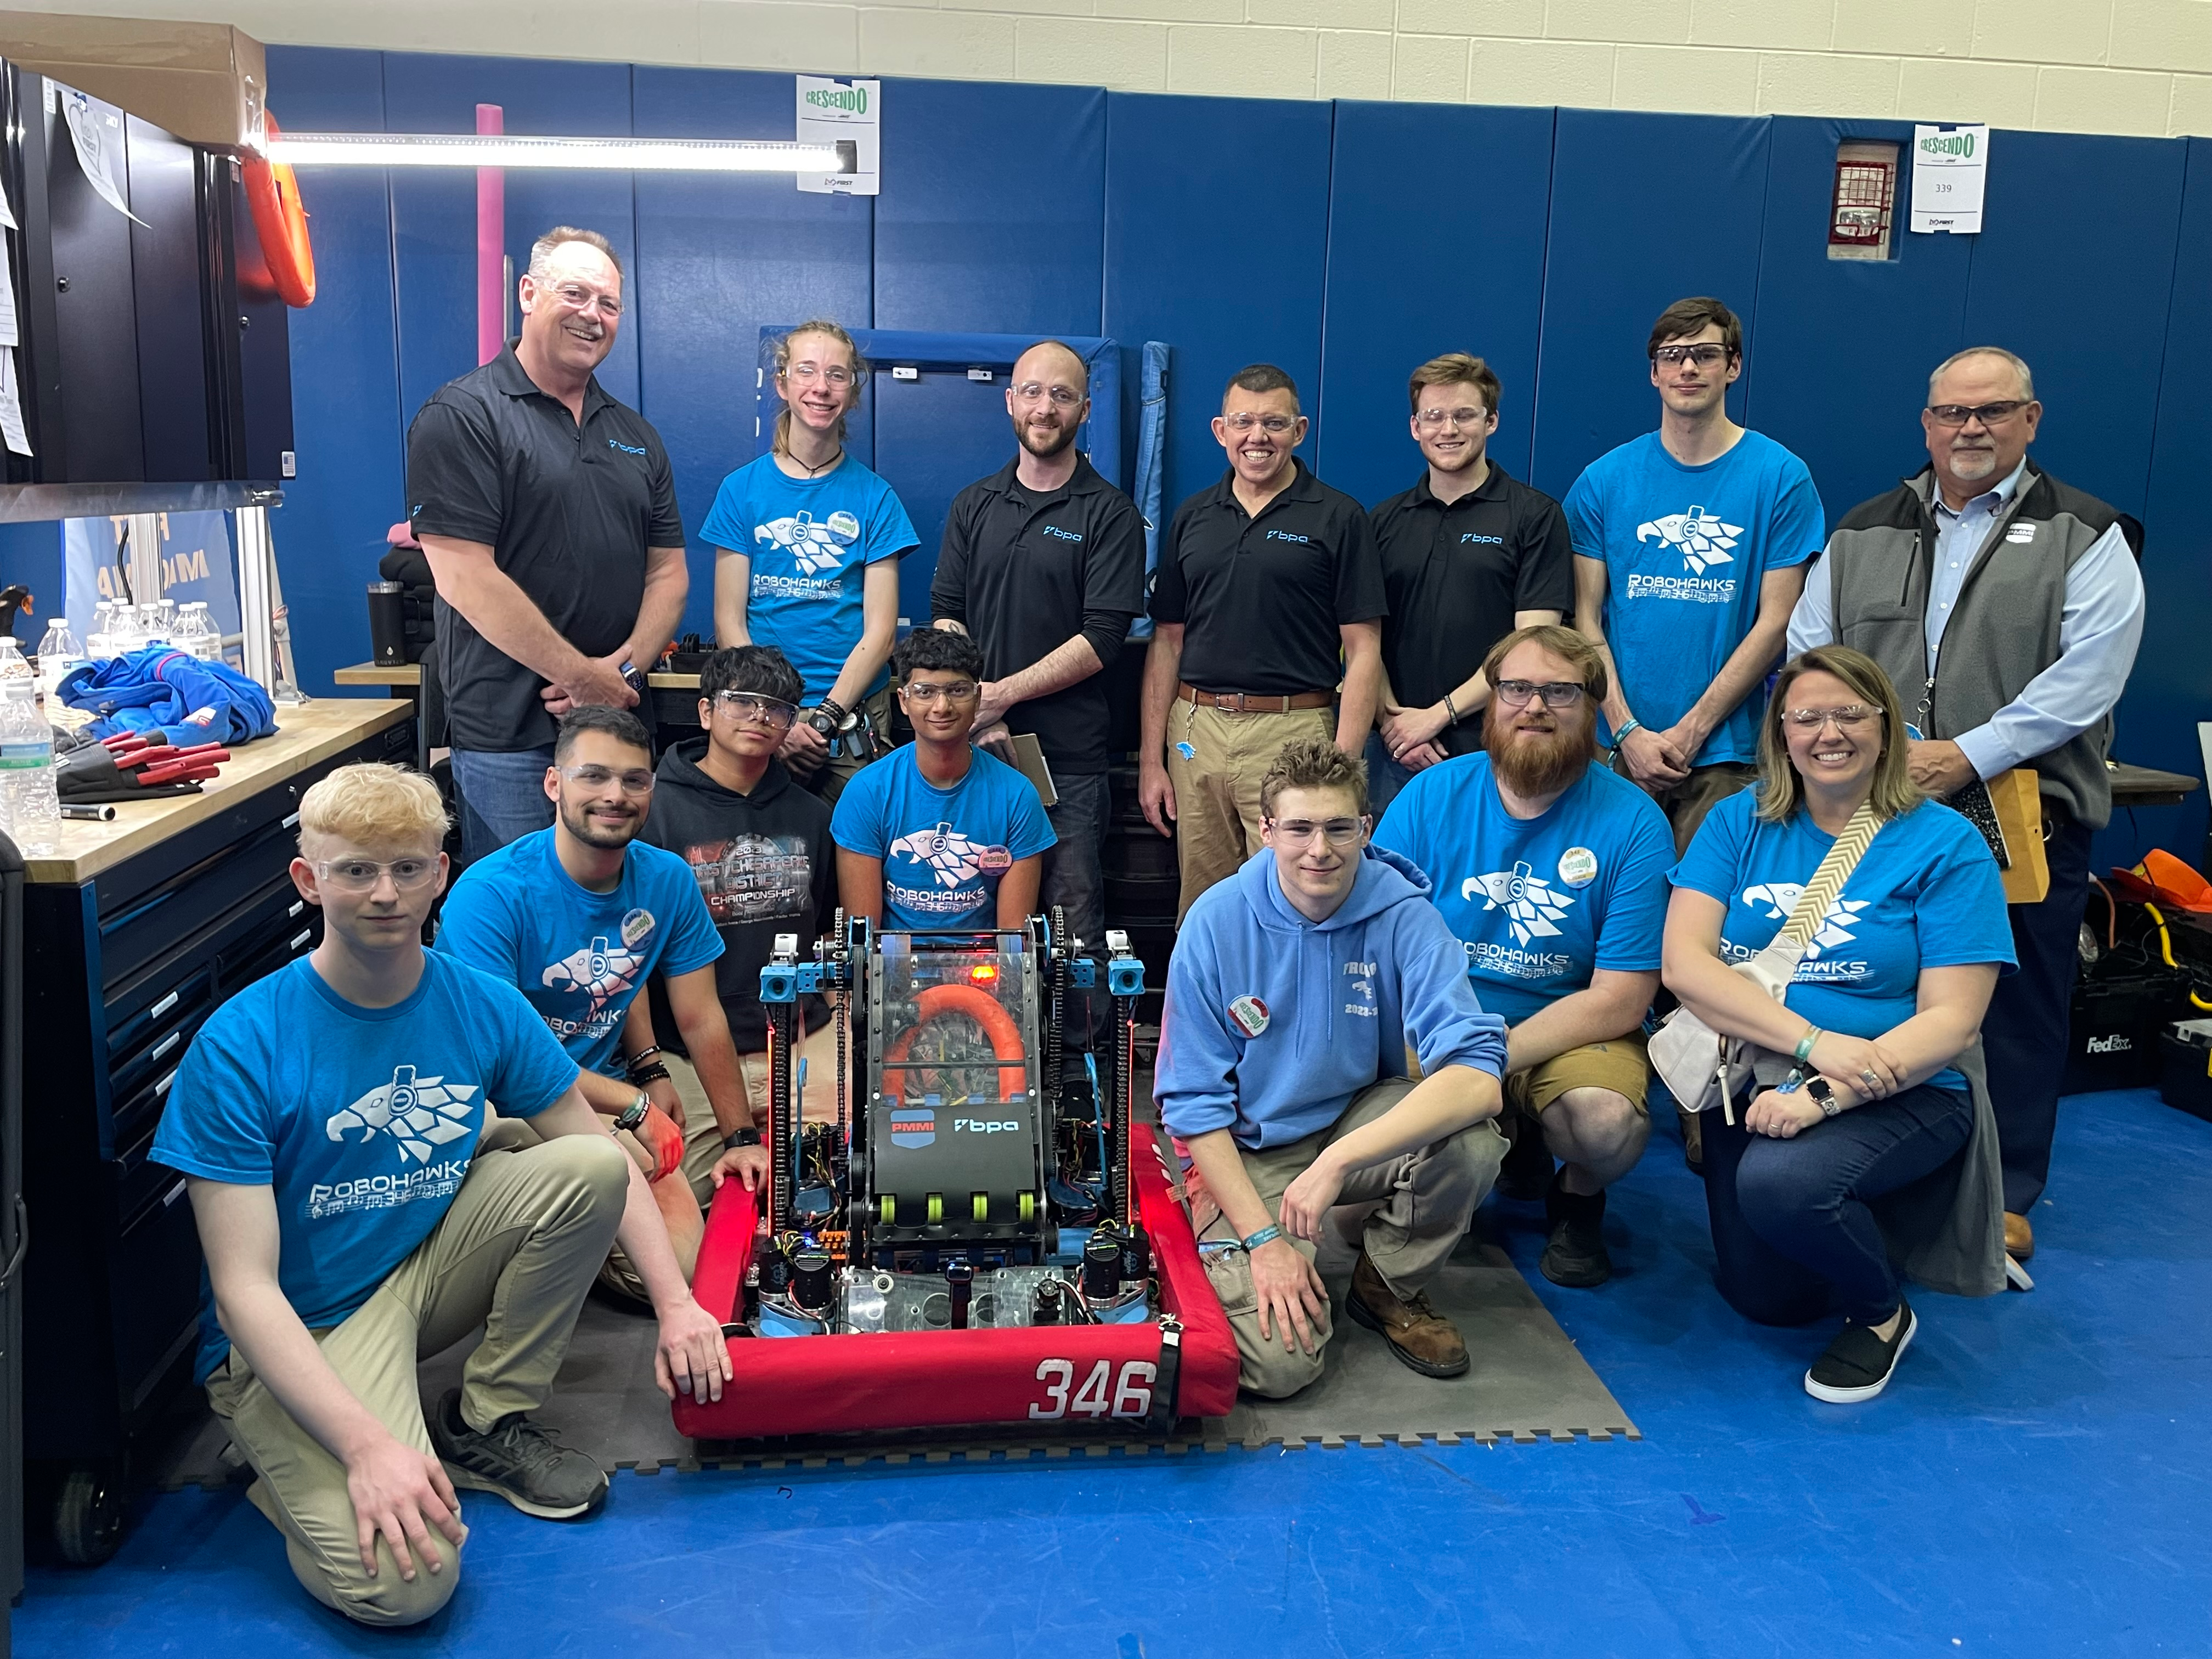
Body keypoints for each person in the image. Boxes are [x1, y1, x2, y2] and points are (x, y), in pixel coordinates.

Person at [150, 764, 733, 1627]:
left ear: (440, 875)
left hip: (419, 1273)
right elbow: (243, 1292)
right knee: (405, 1588)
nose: (385, 894)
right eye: (356, 871)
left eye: (407, 868)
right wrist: (364, 1447)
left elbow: (598, 1153)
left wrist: (680, 1306)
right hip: (306, 1323)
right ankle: (284, 1448)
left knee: (593, 1164)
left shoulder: (481, 1004)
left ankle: (484, 1422)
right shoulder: (242, 1042)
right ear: (309, 880)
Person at [1786, 347, 2145, 1267]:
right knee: (1880, 983)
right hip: (1877, 809)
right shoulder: (1863, 529)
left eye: (1992, 410)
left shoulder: (2086, 532)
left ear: (2030, 419)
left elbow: (2091, 675)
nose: (1970, 428)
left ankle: (2007, 1190)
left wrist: (1970, 753)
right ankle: (1879, 1170)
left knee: (2015, 1004)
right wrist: (1866, 751)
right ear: (1927, 423)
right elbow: (1810, 653)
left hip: (2024, 809)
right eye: (1952, 412)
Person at [1662, 646, 2015, 1403]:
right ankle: (1861, 1218)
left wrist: (1825, 1094)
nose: (1830, 733)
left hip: (1906, 1084)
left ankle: (1882, 1313)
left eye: (1851, 713)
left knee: (1781, 1186)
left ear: (1886, 728)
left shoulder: (1947, 844)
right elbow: (1685, 967)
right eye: (1807, 717)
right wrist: (1812, 1045)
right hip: (1756, 1075)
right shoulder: (1738, 822)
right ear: (1781, 734)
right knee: (1769, 1301)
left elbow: (1953, 1022)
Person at [1155, 737, 1508, 1396]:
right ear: (1266, 831)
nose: (1320, 849)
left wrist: (1336, 1164)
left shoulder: (1404, 914)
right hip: (1251, 1147)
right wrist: (1265, 1242)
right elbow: (1193, 1108)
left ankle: (1386, 1282)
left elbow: (1479, 1077)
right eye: (1299, 828)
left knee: (1471, 1142)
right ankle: (1265, 1241)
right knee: (1280, 1368)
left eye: (1339, 828)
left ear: (1365, 829)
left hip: (1353, 1124)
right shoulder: (1214, 923)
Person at [434, 707, 771, 1295]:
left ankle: (576, 1219)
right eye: (593, 776)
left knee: (698, 1246)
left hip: (603, 1091)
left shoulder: (666, 879)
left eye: (634, 780)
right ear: (553, 783)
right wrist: (635, 1105)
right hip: (505, 1101)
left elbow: (699, 1016)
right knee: (658, 1255)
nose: (615, 795)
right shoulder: (491, 894)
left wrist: (739, 1137)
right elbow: (508, 1061)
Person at [1374, 626, 1673, 1288]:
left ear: (1592, 706)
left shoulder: (1636, 823)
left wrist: (1485, 1059)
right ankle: (1502, 1130)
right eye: (1516, 688)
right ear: (1492, 699)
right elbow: (1377, 945)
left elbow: (1622, 998)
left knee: (1604, 1125)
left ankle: (1577, 1196)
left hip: (1570, 1026)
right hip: (1440, 1020)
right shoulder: (1428, 796)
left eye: (1560, 691)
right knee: (1362, 1093)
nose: (1535, 706)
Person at [408, 226, 687, 860]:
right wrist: (580, 677)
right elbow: (464, 576)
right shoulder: (464, 416)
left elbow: (669, 574)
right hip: (509, 737)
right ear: (528, 293)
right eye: (575, 294)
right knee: (521, 904)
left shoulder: (636, 435)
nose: (593, 315)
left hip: (617, 723)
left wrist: (618, 677)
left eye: (609, 304)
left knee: (617, 904)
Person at [932, 339, 1147, 1054]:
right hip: (971, 755)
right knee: (971, 911)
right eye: (1032, 392)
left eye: (1061, 394)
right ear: (1010, 402)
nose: (1044, 407)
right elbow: (947, 611)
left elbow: (1103, 638)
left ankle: (1079, 1079)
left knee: (1072, 923)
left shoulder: (1109, 514)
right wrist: (972, 708)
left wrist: (999, 698)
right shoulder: (975, 504)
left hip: (1067, 764)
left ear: (1085, 409)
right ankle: (980, 1062)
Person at [1566, 296, 1826, 855]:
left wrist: (1693, 730)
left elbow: (1777, 622)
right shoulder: (1603, 481)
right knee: (1607, 903)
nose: (1688, 368)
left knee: (1706, 906)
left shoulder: (1781, 477)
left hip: (1726, 756)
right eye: (1673, 356)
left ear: (1733, 366)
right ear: (1654, 372)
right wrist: (1627, 730)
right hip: (1614, 750)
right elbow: (1584, 621)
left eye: (1705, 355)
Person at [1140, 364, 1387, 921]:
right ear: (1220, 430)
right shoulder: (1193, 516)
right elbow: (1167, 641)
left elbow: (1363, 649)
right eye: (1243, 422)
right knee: (1203, 904)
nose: (1258, 437)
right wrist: (1152, 761)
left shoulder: (1339, 516)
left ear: (1299, 431)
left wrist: (1342, 768)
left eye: (1274, 423)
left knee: (1295, 901)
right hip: (1196, 730)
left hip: (1294, 730)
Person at [637, 644, 843, 1170]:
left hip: (803, 1037)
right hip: (686, 1052)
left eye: (777, 709)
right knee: (686, 1195)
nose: (760, 716)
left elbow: (826, 929)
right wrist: (649, 1066)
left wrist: (839, 1022)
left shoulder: (814, 816)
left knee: (830, 1185)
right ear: (706, 711)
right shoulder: (652, 813)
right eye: (743, 702)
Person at [705, 319, 919, 804]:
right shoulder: (741, 491)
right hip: (758, 712)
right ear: (782, 383)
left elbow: (881, 635)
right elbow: (728, 622)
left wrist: (824, 718)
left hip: (850, 719)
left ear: (852, 391)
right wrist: (774, 714)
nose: (821, 387)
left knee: (855, 846)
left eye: (837, 375)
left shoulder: (876, 498)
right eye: (807, 371)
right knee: (756, 849)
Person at [1368, 354, 1575, 813]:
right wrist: (1394, 723)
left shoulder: (1535, 517)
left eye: (1464, 415)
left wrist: (1436, 717)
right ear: (1415, 427)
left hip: (1494, 747)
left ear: (1491, 421)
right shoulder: (1382, 521)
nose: (1448, 429)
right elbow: (1364, 639)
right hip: (1393, 751)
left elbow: (1532, 647)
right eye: (1434, 416)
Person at [832, 627, 1056, 931]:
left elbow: (1014, 941)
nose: (942, 707)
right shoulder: (867, 792)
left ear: (978, 697)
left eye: (958, 690)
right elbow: (863, 939)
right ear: (903, 700)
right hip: (891, 958)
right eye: (925, 692)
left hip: (985, 960)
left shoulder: (1017, 796)